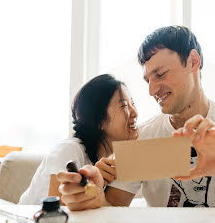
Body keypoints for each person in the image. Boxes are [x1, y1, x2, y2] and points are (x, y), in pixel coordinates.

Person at [57, 26, 215, 210]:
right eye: (147, 80)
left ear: (193, 61)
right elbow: (111, 211)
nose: (152, 90)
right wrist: (91, 196)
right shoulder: (143, 140)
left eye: (160, 74)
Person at [18, 74, 138, 206]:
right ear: (99, 120)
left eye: (133, 103)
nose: (135, 113)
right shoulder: (69, 150)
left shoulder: (109, 162)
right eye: (125, 106)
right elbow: (59, 214)